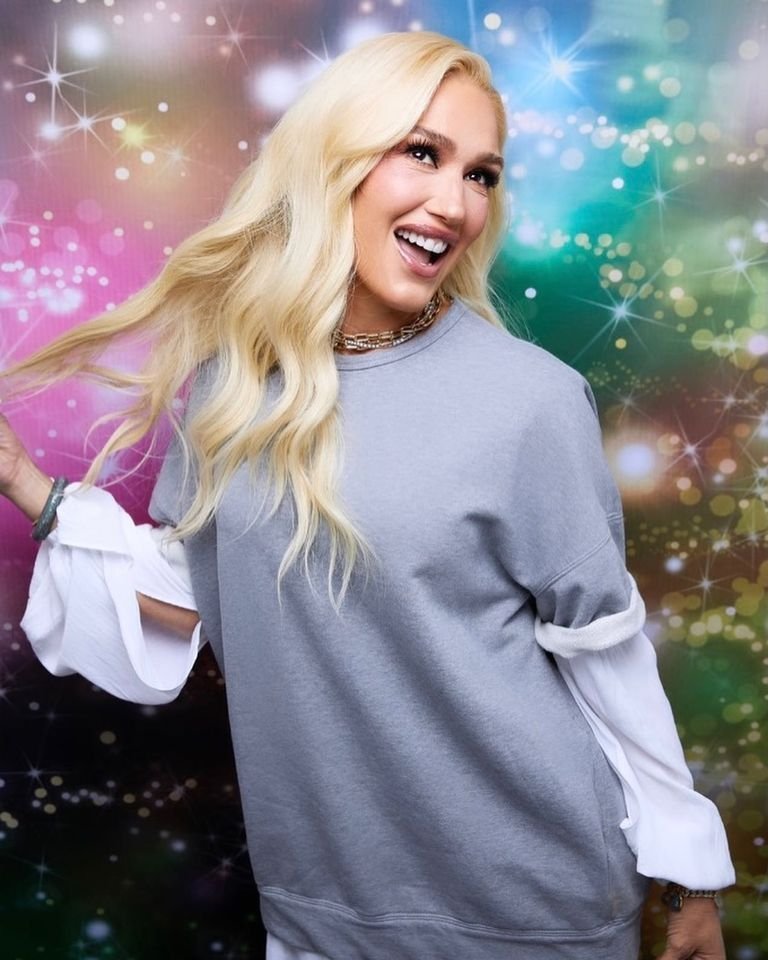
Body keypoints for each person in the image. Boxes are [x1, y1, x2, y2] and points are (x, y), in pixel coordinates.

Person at [0, 30, 734, 960]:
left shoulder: (532, 401)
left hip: (531, 910)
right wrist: (24, 481)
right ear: (333, 159)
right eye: (422, 153)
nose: (455, 204)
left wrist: (690, 875)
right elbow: (195, 593)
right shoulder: (232, 386)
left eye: (481, 175)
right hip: (319, 909)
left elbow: (606, 660)